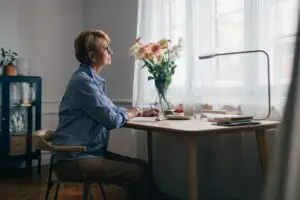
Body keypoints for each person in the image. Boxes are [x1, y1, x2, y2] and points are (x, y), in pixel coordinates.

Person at [51, 30, 166, 200]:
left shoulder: (91, 80)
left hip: (87, 154)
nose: (110, 52)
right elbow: (111, 120)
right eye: (106, 48)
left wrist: (139, 111)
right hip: (74, 159)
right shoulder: (83, 82)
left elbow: (111, 110)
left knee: (141, 165)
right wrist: (133, 112)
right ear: (92, 54)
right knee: (137, 173)